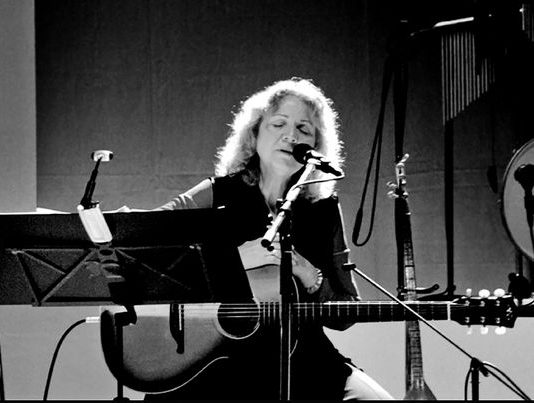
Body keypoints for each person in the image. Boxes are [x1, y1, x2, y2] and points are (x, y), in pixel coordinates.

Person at [146, 78, 393, 400]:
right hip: (216, 362)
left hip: (303, 358)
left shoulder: (323, 209)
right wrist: (233, 261)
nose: (292, 136)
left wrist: (311, 276)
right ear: (254, 135)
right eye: (279, 124)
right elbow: (145, 248)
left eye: (304, 129)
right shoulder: (217, 193)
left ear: (316, 145)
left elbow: (346, 313)